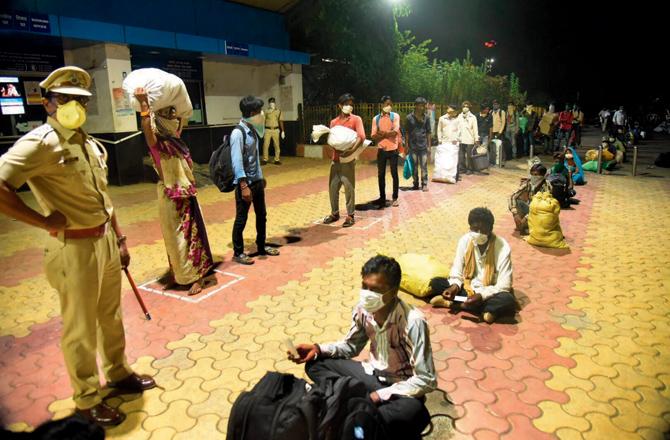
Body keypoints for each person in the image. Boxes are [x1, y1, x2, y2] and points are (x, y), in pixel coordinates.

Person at [0, 66, 155, 426]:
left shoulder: (87, 142)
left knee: (110, 317)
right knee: (81, 328)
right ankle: (86, 399)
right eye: (65, 99)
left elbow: (104, 198)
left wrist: (119, 238)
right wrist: (41, 221)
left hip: (104, 244)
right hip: (73, 249)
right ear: (47, 102)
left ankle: (118, 373)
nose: (74, 105)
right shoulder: (39, 144)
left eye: (80, 100)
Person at [289, 255, 436, 440]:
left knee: (415, 412)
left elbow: (426, 379)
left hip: (399, 388)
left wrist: (379, 396)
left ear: (393, 291)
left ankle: (354, 414)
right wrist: (318, 349)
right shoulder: (362, 309)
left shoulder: (413, 322)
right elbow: (351, 346)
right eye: (365, 286)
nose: (367, 294)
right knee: (316, 365)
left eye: (375, 289)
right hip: (370, 375)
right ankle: (360, 412)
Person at [134, 88, 214, 294]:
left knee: (190, 237)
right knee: (173, 238)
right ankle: (179, 274)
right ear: (158, 120)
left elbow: (182, 119)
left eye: (173, 114)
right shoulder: (157, 144)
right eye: (168, 114)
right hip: (169, 196)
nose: (174, 118)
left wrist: (178, 107)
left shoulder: (175, 140)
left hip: (186, 196)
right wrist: (144, 105)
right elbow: (147, 128)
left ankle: (197, 276)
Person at [429, 208, 516, 324]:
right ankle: (486, 311)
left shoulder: (502, 247)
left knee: (508, 299)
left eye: (483, 230)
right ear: (470, 228)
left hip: (489, 292)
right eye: (475, 229)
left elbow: (504, 284)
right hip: (468, 288)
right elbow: (457, 268)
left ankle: (456, 304)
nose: (479, 233)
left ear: (490, 229)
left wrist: (481, 295)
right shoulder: (465, 240)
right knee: (436, 283)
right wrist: (454, 286)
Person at [231, 95, 280, 265]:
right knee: (241, 218)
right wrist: (244, 186)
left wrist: (260, 178)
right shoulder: (238, 133)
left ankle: (261, 246)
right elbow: (237, 162)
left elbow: (254, 158)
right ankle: (238, 253)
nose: (262, 114)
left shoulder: (252, 129)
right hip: (246, 184)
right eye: (259, 111)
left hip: (257, 182)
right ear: (252, 113)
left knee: (262, 215)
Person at [323, 93, 366, 228]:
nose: (349, 107)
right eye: (346, 104)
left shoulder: (356, 119)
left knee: (349, 188)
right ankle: (335, 213)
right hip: (335, 160)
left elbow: (361, 137)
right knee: (333, 188)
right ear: (340, 105)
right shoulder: (334, 122)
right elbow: (331, 140)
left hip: (348, 160)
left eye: (351, 104)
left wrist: (351, 151)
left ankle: (350, 215)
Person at [371, 95, 401, 208]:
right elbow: (373, 135)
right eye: (387, 104)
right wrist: (387, 133)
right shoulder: (376, 119)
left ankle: (395, 198)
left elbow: (395, 132)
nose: (389, 106)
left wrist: (382, 133)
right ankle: (382, 197)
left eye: (390, 104)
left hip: (393, 149)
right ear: (382, 105)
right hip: (381, 149)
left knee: (394, 173)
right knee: (381, 174)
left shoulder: (395, 116)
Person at [508, 163, 552, 234]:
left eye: (536, 175)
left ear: (542, 176)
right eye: (532, 174)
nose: (533, 177)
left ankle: (526, 225)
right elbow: (512, 196)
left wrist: (526, 218)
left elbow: (541, 207)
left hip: (541, 212)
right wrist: (515, 213)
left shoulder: (547, 186)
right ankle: (523, 225)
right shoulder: (528, 183)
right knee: (517, 201)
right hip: (530, 210)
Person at [406, 97, 432, 191]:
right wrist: (406, 146)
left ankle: (424, 184)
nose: (422, 107)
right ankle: (415, 183)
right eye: (420, 105)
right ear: (416, 106)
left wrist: (429, 146)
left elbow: (429, 132)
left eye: (423, 105)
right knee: (414, 167)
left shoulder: (427, 117)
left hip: (423, 146)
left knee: (424, 166)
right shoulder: (409, 118)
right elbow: (407, 132)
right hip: (413, 146)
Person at [435, 104, 461, 183]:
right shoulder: (442, 118)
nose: (452, 113)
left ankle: (454, 176)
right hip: (444, 142)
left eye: (454, 112)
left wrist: (456, 139)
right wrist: (439, 139)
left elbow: (459, 130)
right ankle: (443, 176)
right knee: (444, 159)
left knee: (454, 160)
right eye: (451, 111)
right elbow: (439, 130)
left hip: (454, 142)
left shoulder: (457, 119)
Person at [457, 101, 479, 178]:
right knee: (461, 155)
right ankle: (462, 168)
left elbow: (475, 129)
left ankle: (470, 169)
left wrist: (476, 139)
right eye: (464, 106)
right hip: (461, 139)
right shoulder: (459, 116)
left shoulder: (473, 117)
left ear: (469, 108)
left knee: (469, 156)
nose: (465, 108)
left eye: (467, 106)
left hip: (470, 139)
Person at [262, 97, 285, 165]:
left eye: (273, 102)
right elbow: (263, 121)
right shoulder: (265, 111)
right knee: (266, 145)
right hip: (267, 130)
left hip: (276, 130)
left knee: (277, 145)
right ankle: (265, 159)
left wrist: (283, 131)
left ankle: (277, 159)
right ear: (269, 103)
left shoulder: (278, 111)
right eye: (271, 102)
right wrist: (262, 130)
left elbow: (281, 121)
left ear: (275, 102)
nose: (272, 103)